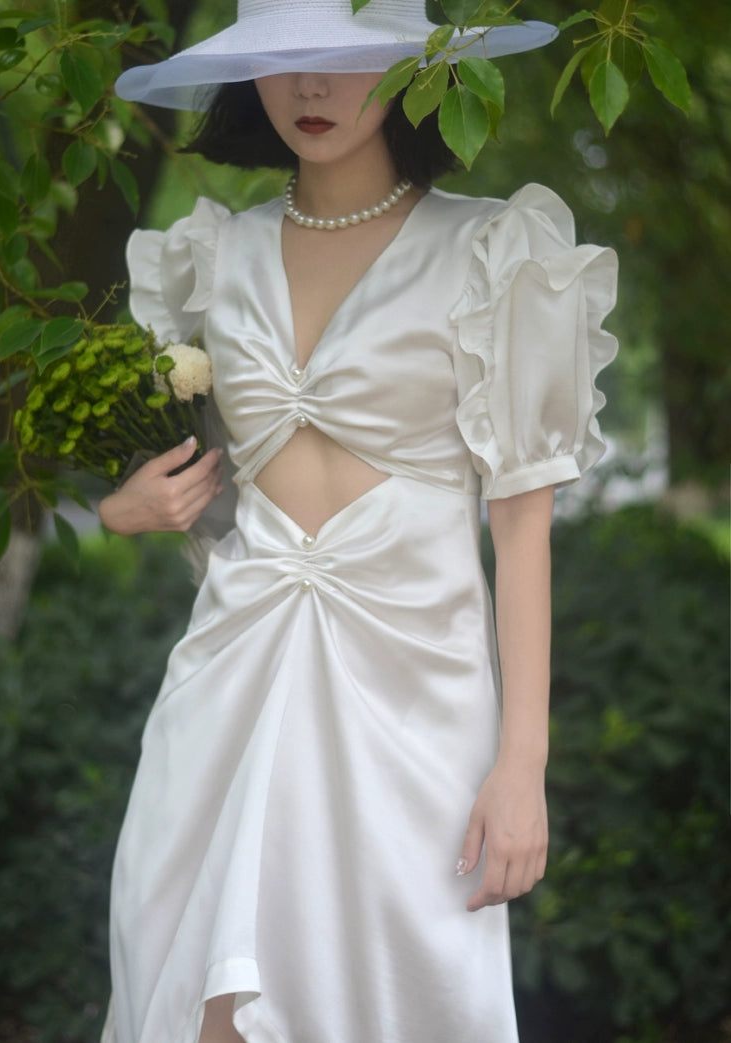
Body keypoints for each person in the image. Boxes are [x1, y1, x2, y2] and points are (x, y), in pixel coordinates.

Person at [99, 2, 618, 1041]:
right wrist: (122, 510)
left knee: (395, 997)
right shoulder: (213, 255)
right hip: (229, 677)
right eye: (282, 62)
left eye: (343, 60)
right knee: (192, 996)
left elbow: (520, 524)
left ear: (411, 67)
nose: (311, 89)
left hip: (415, 698)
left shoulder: (490, 250)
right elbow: (179, 472)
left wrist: (523, 763)